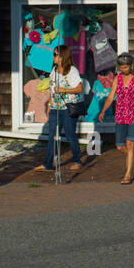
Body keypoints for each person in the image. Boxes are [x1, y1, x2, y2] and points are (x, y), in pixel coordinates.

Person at [98, 52, 134, 184]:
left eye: (125, 67)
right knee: (120, 146)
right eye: (121, 67)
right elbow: (111, 97)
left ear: (131, 66)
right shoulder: (118, 78)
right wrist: (103, 110)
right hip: (121, 115)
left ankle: (128, 174)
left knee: (130, 144)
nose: (123, 70)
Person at [39, 45, 86, 175]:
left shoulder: (72, 71)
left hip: (68, 107)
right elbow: (52, 88)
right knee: (52, 136)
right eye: (53, 54)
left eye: (55, 55)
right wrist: (49, 103)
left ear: (62, 56)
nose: (53, 57)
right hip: (55, 107)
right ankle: (48, 164)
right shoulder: (54, 70)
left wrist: (64, 90)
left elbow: (79, 88)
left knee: (70, 134)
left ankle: (77, 160)